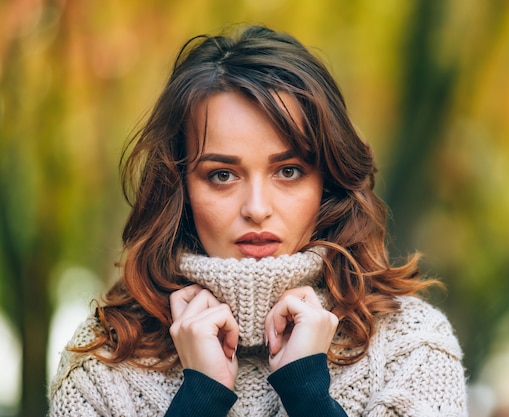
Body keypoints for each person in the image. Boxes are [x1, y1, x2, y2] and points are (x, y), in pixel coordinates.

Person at [48, 25, 467, 416]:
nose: (257, 207)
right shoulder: (102, 360)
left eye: (288, 171)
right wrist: (199, 397)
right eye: (222, 175)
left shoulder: (410, 345)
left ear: (328, 181)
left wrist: (308, 394)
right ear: (179, 187)